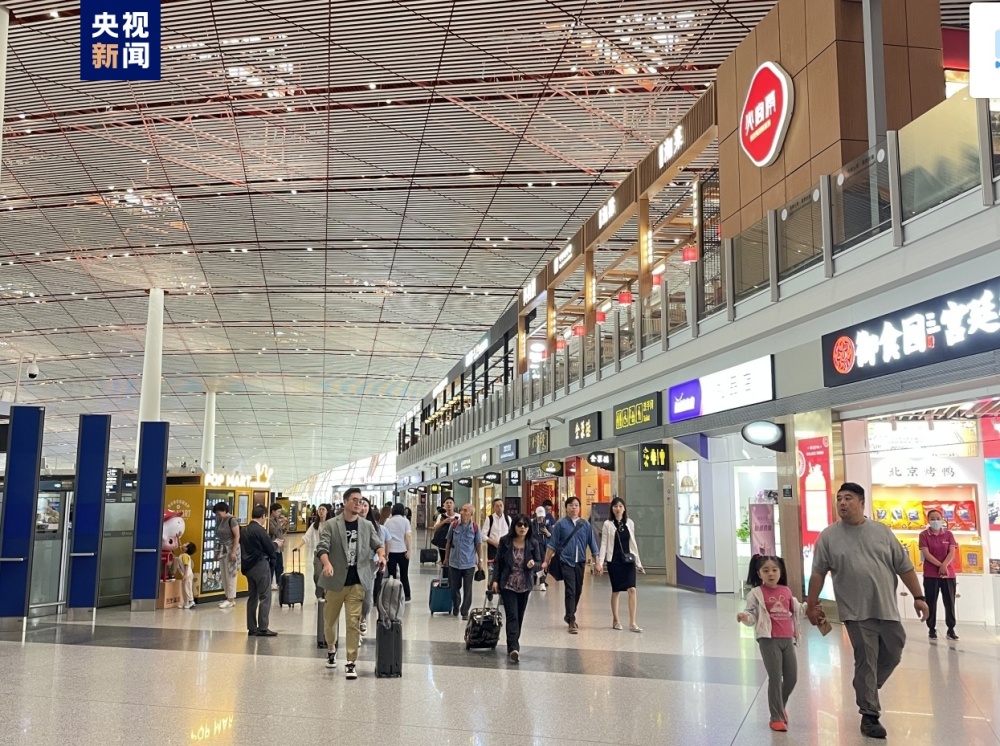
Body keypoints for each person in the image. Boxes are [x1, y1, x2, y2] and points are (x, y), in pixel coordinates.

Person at [806, 482, 929, 740]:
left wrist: (918, 597)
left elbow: (904, 566)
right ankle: (869, 714)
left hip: (886, 607)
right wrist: (812, 603)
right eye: (839, 498)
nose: (842, 503)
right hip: (855, 611)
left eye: (848, 498)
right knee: (867, 659)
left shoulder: (882, 532)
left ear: (862, 502)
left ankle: (865, 685)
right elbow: (818, 572)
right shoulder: (828, 536)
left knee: (894, 650)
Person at [316, 487, 387, 679]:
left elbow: (378, 544)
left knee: (353, 622)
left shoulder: (366, 526)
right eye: (354, 500)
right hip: (335, 581)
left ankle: (350, 662)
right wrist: (327, 563)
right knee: (330, 622)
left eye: (361, 500)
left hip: (357, 581)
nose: (358, 503)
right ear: (345, 502)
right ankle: (331, 649)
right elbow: (322, 547)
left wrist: (382, 556)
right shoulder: (331, 525)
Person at [738, 556, 803, 733]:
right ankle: (776, 718)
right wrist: (745, 617)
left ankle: (780, 706)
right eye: (766, 570)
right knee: (775, 678)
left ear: (780, 572)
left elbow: (797, 611)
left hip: (787, 639)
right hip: (768, 640)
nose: (771, 574)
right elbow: (751, 615)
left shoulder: (786, 591)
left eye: (774, 570)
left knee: (791, 678)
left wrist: (811, 608)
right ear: (759, 574)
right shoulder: (756, 594)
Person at [542, 496, 602, 634]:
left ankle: (569, 615)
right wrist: (546, 560)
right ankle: (571, 621)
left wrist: (597, 562)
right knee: (570, 590)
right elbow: (552, 545)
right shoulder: (560, 524)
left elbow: (593, 544)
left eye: (576, 505)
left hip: (580, 561)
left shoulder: (585, 525)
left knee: (578, 590)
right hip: (566, 561)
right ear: (566, 508)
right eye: (570, 505)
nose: (573, 507)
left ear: (579, 508)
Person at [491, 515, 541, 663]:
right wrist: (495, 580)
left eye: (525, 525)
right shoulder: (505, 541)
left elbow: (539, 562)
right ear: (514, 526)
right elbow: (498, 562)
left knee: (519, 615)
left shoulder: (533, 543)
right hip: (508, 583)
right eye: (519, 525)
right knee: (512, 615)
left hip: (525, 584)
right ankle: (514, 647)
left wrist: (533, 564)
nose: (522, 527)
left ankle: (511, 644)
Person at [596, 497, 645, 632]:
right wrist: (600, 562)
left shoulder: (630, 523)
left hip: (628, 560)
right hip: (614, 560)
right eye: (615, 506)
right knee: (616, 590)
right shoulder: (607, 524)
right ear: (612, 509)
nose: (618, 509)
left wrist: (638, 562)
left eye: (620, 506)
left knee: (632, 589)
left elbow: (633, 543)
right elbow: (604, 544)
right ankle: (616, 620)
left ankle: (633, 622)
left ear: (624, 508)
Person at [919, 508, 959, 641]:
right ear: (928, 520)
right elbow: (926, 554)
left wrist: (944, 566)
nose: (935, 521)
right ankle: (931, 628)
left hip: (948, 574)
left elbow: (952, 552)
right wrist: (939, 565)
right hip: (931, 575)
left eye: (938, 518)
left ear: (942, 520)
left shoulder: (948, 534)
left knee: (950, 602)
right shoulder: (924, 535)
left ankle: (951, 629)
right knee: (931, 602)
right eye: (932, 519)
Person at [240, 505, 278, 637]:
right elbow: (270, 547)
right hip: (260, 565)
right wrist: (276, 544)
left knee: (252, 597)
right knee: (265, 596)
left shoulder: (244, 529)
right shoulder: (260, 530)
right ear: (263, 516)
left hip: (248, 567)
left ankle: (251, 627)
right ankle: (263, 627)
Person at [444, 503, 484, 619]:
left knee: (468, 589)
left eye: (465, 510)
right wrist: (446, 558)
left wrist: (480, 561)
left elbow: (478, 545)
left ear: (471, 514)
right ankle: (456, 605)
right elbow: (448, 542)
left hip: (469, 563)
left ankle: (465, 611)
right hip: (454, 563)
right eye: (461, 510)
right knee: (454, 588)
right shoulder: (454, 525)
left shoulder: (475, 528)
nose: (462, 512)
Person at [359, 497, 391, 636]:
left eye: (365, 505)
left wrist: (382, 557)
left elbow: (380, 545)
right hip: (353, 565)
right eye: (360, 505)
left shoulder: (376, 527)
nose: (363, 508)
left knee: (367, 598)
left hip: (369, 564)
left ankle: (362, 618)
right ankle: (354, 627)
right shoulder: (349, 524)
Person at [213, 502, 240, 609]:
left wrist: (233, 551)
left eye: (219, 513)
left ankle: (231, 598)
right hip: (223, 550)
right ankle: (228, 597)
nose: (218, 515)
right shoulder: (222, 520)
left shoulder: (232, 520)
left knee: (231, 574)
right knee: (224, 574)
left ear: (224, 510)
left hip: (230, 549)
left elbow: (237, 536)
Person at [384, 502, 413, 602]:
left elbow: (386, 538)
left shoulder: (388, 521)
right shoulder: (405, 521)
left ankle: (392, 595)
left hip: (391, 552)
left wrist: (386, 553)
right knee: (404, 575)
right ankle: (407, 595)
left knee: (392, 576)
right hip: (402, 551)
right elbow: (408, 536)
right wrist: (409, 550)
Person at [431, 497, 459, 563]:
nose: (449, 504)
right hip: (443, 542)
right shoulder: (441, 516)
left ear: (454, 504)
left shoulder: (459, 516)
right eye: (447, 503)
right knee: (444, 561)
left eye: (450, 503)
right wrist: (444, 521)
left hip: (455, 543)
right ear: (444, 505)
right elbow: (435, 527)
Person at [484, 498, 511, 565]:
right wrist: (493, 542)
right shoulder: (489, 519)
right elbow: (483, 535)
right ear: (493, 508)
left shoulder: (508, 518)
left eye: (501, 505)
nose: (499, 508)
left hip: (505, 548)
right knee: (493, 569)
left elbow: (512, 533)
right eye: (497, 506)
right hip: (493, 549)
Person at [532, 507, 553, 590]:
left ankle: (542, 582)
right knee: (534, 563)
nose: (541, 518)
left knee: (542, 564)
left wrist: (546, 531)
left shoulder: (546, 522)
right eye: (539, 516)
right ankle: (533, 580)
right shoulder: (532, 523)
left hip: (542, 546)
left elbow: (550, 535)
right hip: (533, 546)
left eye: (542, 516)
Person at [268, 503, 287, 590]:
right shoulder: (269, 520)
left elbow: (282, 531)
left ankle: (280, 583)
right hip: (274, 546)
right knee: (273, 565)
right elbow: (274, 531)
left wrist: (285, 525)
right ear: (273, 511)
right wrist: (281, 523)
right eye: (278, 511)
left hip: (280, 547)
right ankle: (270, 583)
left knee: (280, 565)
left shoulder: (277, 520)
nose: (279, 514)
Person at [175, 542, 197, 609]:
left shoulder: (185, 556)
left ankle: (191, 601)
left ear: (186, 548)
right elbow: (180, 545)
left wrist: (185, 575)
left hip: (187, 574)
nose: (183, 544)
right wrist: (178, 538)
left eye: (185, 544)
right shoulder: (182, 554)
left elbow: (186, 565)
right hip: (185, 574)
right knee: (184, 588)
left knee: (187, 588)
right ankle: (185, 602)